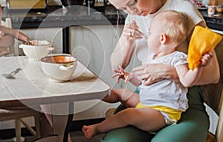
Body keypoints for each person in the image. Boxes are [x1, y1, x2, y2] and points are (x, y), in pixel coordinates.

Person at [93, 0, 220, 142]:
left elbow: (213, 74)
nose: (132, 11)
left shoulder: (183, 11)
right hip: (145, 98)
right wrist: (126, 43)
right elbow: (116, 66)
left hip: (184, 104)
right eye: (124, 9)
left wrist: (169, 72)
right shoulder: (133, 18)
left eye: (133, 2)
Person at [82, 10, 214, 139]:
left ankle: (98, 128)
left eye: (150, 33)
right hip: (146, 102)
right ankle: (98, 93)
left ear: (162, 38)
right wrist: (130, 77)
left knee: (127, 115)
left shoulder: (177, 59)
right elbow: (143, 82)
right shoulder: (152, 57)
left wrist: (197, 67)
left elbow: (186, 81)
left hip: (162, 112)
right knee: (121, 93)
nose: (147, 36)